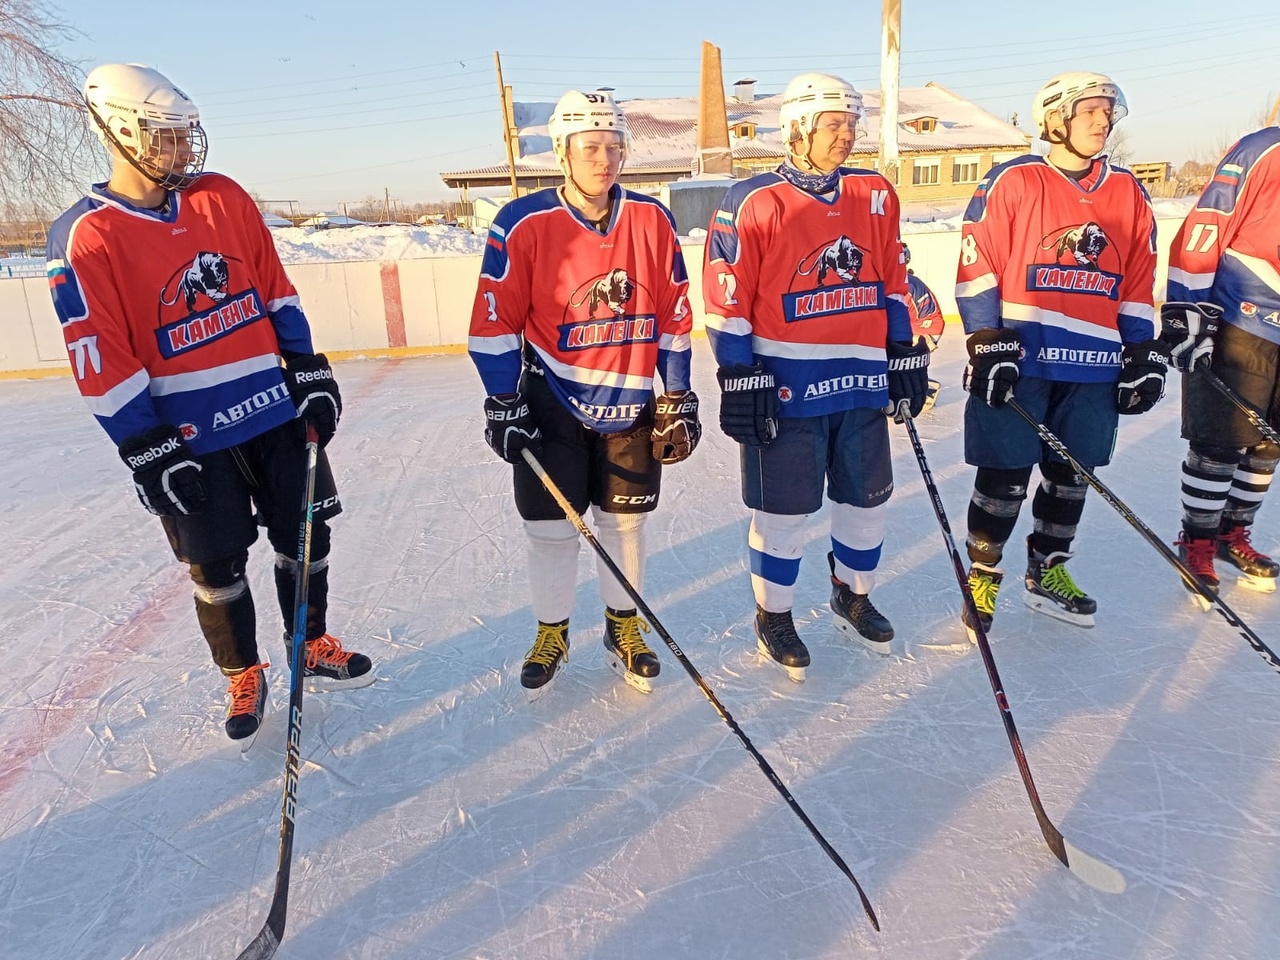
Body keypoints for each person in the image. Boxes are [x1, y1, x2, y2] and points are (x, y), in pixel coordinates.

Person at [46, 63, 373, 743]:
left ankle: (308, 643)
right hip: (189, 434)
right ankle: (241, 670)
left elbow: (274, 286)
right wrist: (144, 444)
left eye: (184, 133)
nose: (181, 148)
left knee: (308, 534)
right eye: (163, 134)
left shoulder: (222, 197)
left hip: (274, 412)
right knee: (216, 564)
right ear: (117, 131)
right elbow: (98, 353)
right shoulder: (86, 234)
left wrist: (306, 367)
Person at [468, 90, 698, 696]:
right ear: (562, 152)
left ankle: (624, 628)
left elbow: (674, 314)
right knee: (550, 530)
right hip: (552, 403)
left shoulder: (652, 219)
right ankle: (553, 632)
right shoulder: (522, 221)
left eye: (614, 147)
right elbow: (493, 321)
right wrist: (503, 401)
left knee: (625, 527)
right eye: (591, 147)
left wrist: (677, 395)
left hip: (631, 402)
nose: (605, 159)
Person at [703, 73, 928, 680]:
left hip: (861, 382)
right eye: (833, 123)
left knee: (867, 502)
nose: (846, 134)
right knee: (783, 513)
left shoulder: (875, 193)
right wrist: (738, 372)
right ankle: (773, 615)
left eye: (852, 123)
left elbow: (893, 278)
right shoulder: (751, 200)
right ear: (797, 128)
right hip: (786, 390)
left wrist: (904, 348)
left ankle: (852, 595)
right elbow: (726, 296)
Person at [955, 71, 1166, 636]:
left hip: (1094, 365)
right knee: (1004, 475)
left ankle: (1047, 570)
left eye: (1107, 111)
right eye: (1089, 110)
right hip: (1023, 359)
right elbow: (978, 261)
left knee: (1072, 474)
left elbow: (1137, 279)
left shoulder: (1128, 191)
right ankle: (983, 574)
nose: (1102, 120)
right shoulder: (1014, 179)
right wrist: (985, 336)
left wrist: (1141, 350)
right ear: (1055, 119)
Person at [1164, 124, 1280, 595]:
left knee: (1270, 442)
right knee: (1219, 441)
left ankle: (1234, 534)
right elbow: (1205, 226)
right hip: (1243, 316)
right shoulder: (1263, 149)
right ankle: (1198, 542)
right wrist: (1187, 308)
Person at [902, 242, 947, 414]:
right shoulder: (908, 280)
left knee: (898, 358)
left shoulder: (905, 285)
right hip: (925, 326)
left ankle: (926, 390)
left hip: (925, 329)